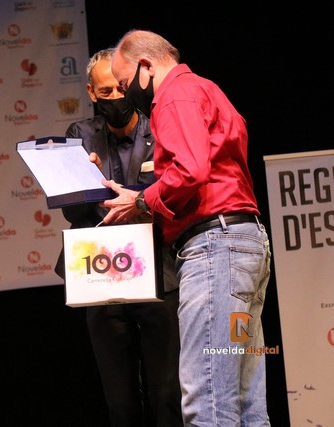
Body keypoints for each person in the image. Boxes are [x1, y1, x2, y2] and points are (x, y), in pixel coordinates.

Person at [103, 30, 272, 426]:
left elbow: (191, 170)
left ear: (146, 66)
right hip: (242, 247)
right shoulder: (206, 89)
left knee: (208, 401)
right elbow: (206, 170)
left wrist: (141, 201)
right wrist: (143, 198)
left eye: (125, 84)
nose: (126, 96)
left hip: (216, 253)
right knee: (246, 405)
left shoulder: (174, 94)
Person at [54, 48, 182, 426]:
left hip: (159, 272)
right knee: (121, 402)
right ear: (91, 93)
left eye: (120, 89)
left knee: (167, 395)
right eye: (105, 92)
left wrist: (131, 199)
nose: (115, 98)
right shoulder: (80, 136)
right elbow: (73, 212)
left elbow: (170, 196)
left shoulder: (159, 128)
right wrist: (87, 184)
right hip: (102, 275)